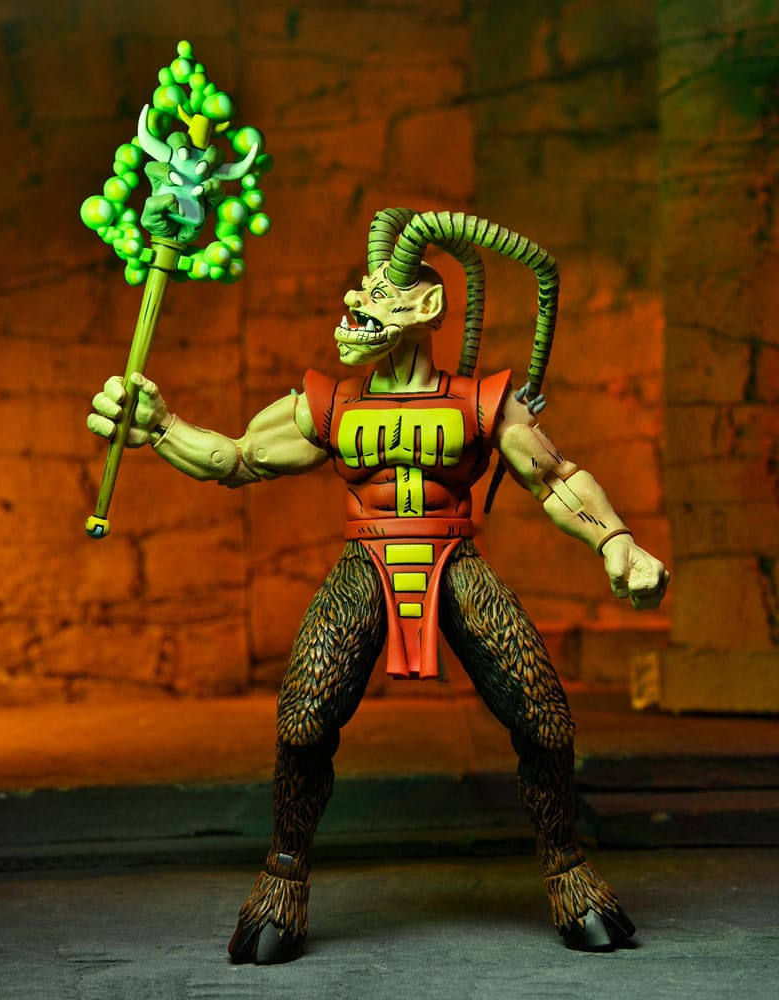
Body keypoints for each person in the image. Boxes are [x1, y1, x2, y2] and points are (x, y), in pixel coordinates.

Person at [88, 208, 668, 963]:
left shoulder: (482, 403)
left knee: (545, 718)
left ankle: (568, 869)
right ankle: (283, 877)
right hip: (366, 563)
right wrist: (161, 428)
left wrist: (616, 540)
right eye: (358, 292)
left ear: (427, 307)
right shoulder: (329, 406)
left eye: (380, 296)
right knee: (303, 721)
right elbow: (237, 458)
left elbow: (555, 477)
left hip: (454, 561)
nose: (355, 305)